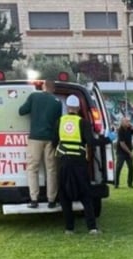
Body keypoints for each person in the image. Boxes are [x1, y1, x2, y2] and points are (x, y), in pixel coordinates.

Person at [54, 95, 110, 234]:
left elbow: (54, 141)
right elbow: (91, 142)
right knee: (85, 195)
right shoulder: (83, 122)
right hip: (79, 162)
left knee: (65, 196)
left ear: (67, 107)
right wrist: (107, 140)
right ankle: (92, 228)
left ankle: (69, 228)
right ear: (78, 108)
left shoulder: (60, 121)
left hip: (64, 162)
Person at [19, 79, 62, 208]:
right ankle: (51, 200)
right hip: (50, 139)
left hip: (35, 138)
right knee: (51, 169)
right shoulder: (57, 102)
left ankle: (34, 199)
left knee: (33, 168)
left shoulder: (34, 96)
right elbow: (57, 123)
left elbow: (21, 111)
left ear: (43, 86)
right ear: (53, 89)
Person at [114, 117, 133, 188]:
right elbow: (122, 144)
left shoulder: (130, 129)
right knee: (119, 167)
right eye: (127, 121)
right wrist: (130, 153)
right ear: (122, 122)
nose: (128, 123)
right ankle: (116, 183)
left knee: (131, 167)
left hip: (128, 151)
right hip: (121, 152)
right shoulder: (120, 130)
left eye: (129, 121)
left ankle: (130, 183)